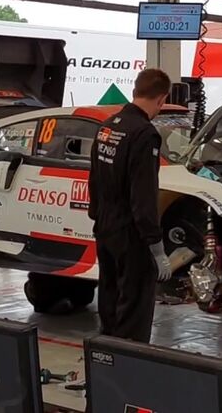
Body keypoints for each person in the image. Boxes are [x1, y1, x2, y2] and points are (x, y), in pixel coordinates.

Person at [88, 68, 172, 343]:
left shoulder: (108, 125)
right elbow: (144, 195)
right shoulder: (144, 134)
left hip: (105, 228)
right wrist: (155, 245)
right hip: (131, 234)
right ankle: (129, 368)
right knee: (134, 308)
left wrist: (97, 216)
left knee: (110, 300)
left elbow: (94, 177)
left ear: (136, 90)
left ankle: (107, 361)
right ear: (161, 99)